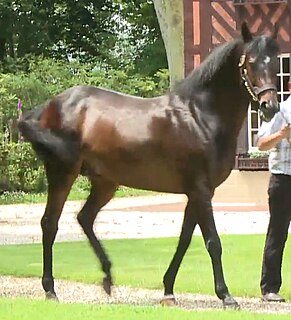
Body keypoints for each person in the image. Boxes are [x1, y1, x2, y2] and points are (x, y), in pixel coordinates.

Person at [257, 76, 291, 302]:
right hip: (283, 180)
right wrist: (282, 134)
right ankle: (269, 288)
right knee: (277, 233)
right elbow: (261, 144)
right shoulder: (281, 111)